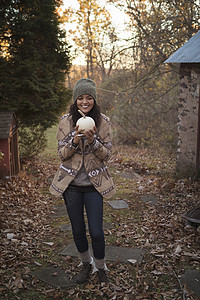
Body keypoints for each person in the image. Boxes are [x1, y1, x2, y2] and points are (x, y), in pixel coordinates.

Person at [49, 78, 116, 284]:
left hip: (94, 186)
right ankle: (86, 264)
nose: (85, 102)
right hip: (71, 186)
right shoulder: (66, 121)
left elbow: (107, 155)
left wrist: (94, 141)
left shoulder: (103, 122)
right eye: (80, 98)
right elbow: (61, 154)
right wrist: (75, 140)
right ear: (75, 100)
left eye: (89, 98)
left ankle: (101, 267)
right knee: (78, 230)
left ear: (94, 100)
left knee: (96, 231)